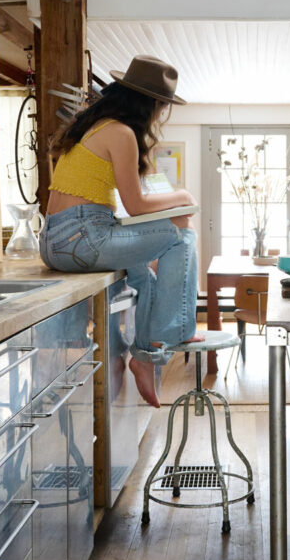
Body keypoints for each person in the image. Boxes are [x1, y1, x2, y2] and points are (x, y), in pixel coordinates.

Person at [40, 55, 202, 408]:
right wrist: (183, 196)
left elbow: (127, 205)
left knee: (142, 272)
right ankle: (166, 339)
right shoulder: (122, 132)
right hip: (84, 237)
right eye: (163, 107)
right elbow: (137, 205)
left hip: (56, 239)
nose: (161, 115)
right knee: (182, 231)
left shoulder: (95, 126)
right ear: (154, 103)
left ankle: (143, 352)